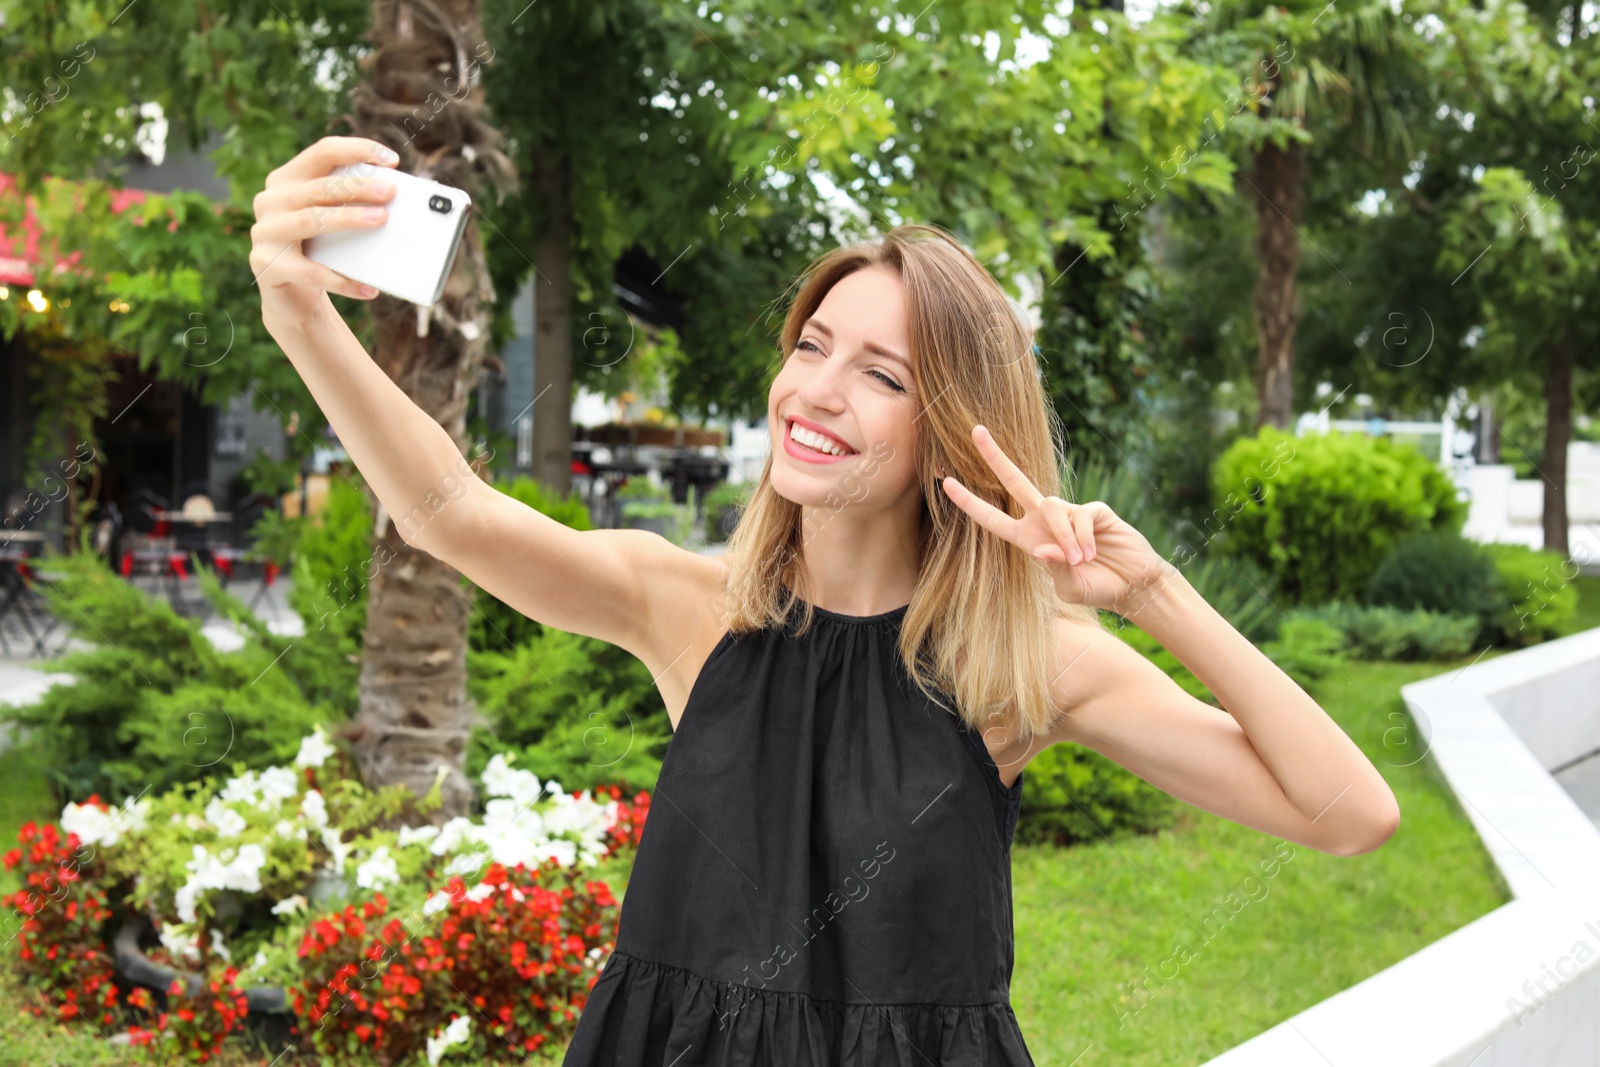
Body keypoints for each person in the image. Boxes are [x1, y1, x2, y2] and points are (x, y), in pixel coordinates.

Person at [251, 136, 1401, 1065]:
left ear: (951, 423)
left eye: (881, 373)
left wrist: (1151, 590)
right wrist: (299, 314)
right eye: (813, 345)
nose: (818, 390)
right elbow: (449, 508)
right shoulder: (687, 607)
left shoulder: (1018, 663)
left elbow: (1348, 811)